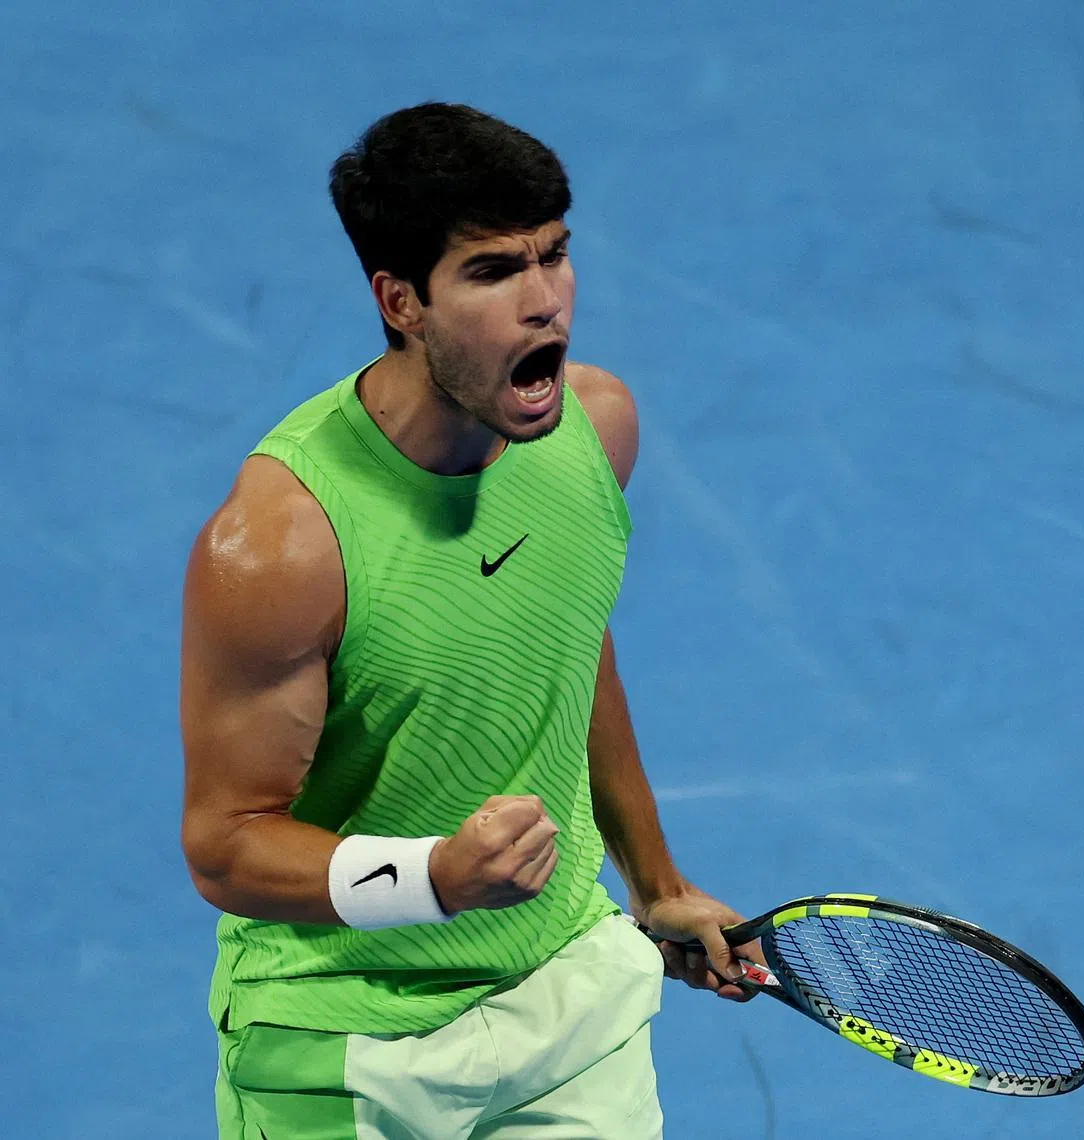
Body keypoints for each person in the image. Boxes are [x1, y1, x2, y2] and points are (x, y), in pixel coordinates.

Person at [180, 102, 759, 1140]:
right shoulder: (282, 546)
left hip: (567, 999)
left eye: (555, 255)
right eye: (493, 272)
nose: (546, 304)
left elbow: (568, 642)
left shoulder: (595, 432)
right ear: (399, 300)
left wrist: (656, 882)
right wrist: (432, 879)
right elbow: (225, 848)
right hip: (350, 1042)